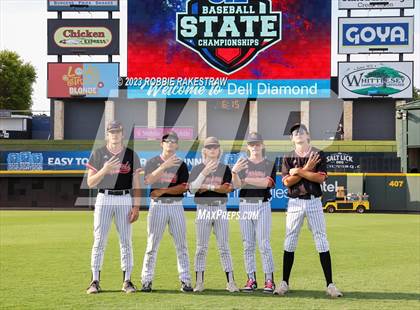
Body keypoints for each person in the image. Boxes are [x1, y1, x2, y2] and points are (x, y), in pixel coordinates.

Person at [275, 123, 343, 298]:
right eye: (294, 133)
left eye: (301, 131)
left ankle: (330, 284)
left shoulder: (318, 154)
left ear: (308, 136)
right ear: (292, 138)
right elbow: (287, 182)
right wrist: (305, 169)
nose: (298, 134)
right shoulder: (288, 156)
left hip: (313, 201)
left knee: (321, 240)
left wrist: (297, 171)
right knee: (290, 240)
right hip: (295, 202)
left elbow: (320, 178)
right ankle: (284, 283)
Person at [85, 121, 141, 294]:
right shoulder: (99, 153)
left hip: (124, 198)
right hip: (104, 197)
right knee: (99, 240)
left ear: (122, 134)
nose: (115, 134)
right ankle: (94, 281)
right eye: (112, 131)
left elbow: (137, 183)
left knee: (126, 241)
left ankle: (127, 281)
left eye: (118, 131)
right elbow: (90, 183)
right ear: (107, 134)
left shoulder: (131, 154)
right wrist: (104, 169)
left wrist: (136, 207)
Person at [140, 131, 193, 292]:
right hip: (158, 206)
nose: (170, 143)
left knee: (181, 245)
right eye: (166, 141)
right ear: (161, 144)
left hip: (176, 205)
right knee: (151, 245)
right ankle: (146, 280)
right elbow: (148, 180)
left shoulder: (181, 164)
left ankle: (185, 281)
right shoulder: (153, 161)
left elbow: (184, 187)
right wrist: (164, 166)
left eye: (173, 141)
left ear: (176, 145)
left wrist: (163, 190)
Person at [189, 137, 239, 293]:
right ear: (204, 150)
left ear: (219, 150)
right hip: (203, 208)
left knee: (224, 247)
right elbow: (192, 190)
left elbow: (227, 189)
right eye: (209, 147)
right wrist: (204, 175)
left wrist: (207, 186)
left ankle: (231, 282)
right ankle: (199, 282)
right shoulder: (197, 168)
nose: (212, 149)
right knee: (201, 248)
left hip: (220, 208)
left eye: (215, 147)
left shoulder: (224, 168)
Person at [231, 132, 276, 293]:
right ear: (248, 146)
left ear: (262, 145)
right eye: (251, 144)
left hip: (262, 205)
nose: (254, 147)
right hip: (245, 205)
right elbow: (236, 186)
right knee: (247, 245)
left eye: (257, 144)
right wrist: (234, 173)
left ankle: (269, 280)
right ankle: (251, 279)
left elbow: (267, 183)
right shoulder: (242, 164)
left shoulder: (269, 163)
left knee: (264, 244)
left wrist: (246, 180)